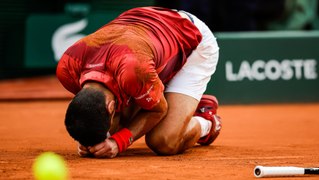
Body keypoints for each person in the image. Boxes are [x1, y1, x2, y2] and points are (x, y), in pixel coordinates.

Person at [56, 6, 221, 158]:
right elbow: (91, 111)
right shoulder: (67, 69)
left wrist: (118, 142)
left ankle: (206, 121)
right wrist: (87, 141)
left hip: (191, 40)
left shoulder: (133, 70)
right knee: (113, 127)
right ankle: (177, 104)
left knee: (164, 141)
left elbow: (158, 110)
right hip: (144, 40)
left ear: (111, 107)